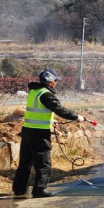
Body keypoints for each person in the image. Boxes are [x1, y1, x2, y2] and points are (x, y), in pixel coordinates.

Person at [12, 69, 85, 198]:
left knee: (25, 162)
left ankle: (19, 189)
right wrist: (76, 117)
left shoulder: (34, 91)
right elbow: (60, 109)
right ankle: (40, 189)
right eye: (55, 80)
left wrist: (51, 120)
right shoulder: (46, 94)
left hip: (28, 130)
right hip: (39, 133)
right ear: (50, 82)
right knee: (43, 162)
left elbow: (41, 110)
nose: (56, 83)